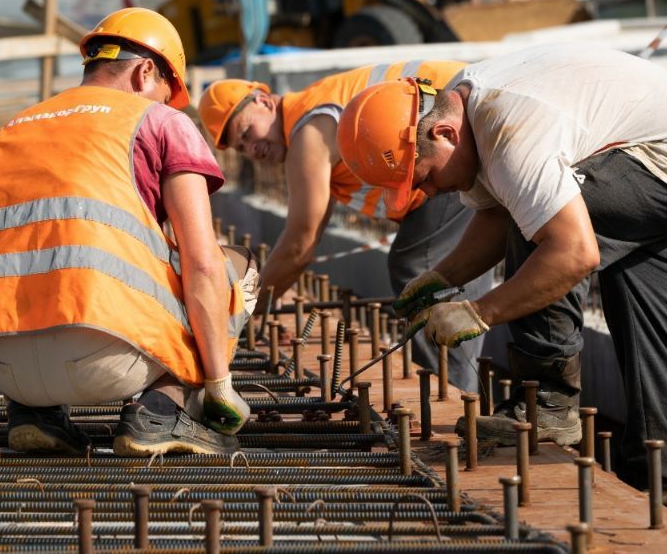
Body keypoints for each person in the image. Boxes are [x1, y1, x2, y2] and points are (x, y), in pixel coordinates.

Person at [336, 43, 667, 505]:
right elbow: (491, 217)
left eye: (421, 178)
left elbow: (572, 252)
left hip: (666, 156)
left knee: (547, 228)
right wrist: (441, 278)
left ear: (444, 133)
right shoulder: (471, 112)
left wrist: (479, 312)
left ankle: (547, 400)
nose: (428, 191)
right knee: (654, 337)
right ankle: (663, 489)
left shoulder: (509, 129)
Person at [0, 8, 258, 457]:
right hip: (108, 356)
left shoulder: (10, 130)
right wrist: (218, 385)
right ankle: (161, 410)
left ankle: (36, 415)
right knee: (232, 266)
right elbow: (201, 263)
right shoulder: (160, 122)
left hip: (2, 364)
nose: (162, 104)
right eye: (164, 92)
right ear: (144, 73)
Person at [198, 61, 490, 392]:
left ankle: (453, 393)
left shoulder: (309, 131)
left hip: (448, 145)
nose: (253, 149)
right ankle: (455, 387)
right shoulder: (310, 118)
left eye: (248, 133)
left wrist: (245, 315)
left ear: (263, 102)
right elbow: (309, 233)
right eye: (241, 148)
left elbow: (300, 244)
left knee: (417, 266)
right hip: (455, 133)